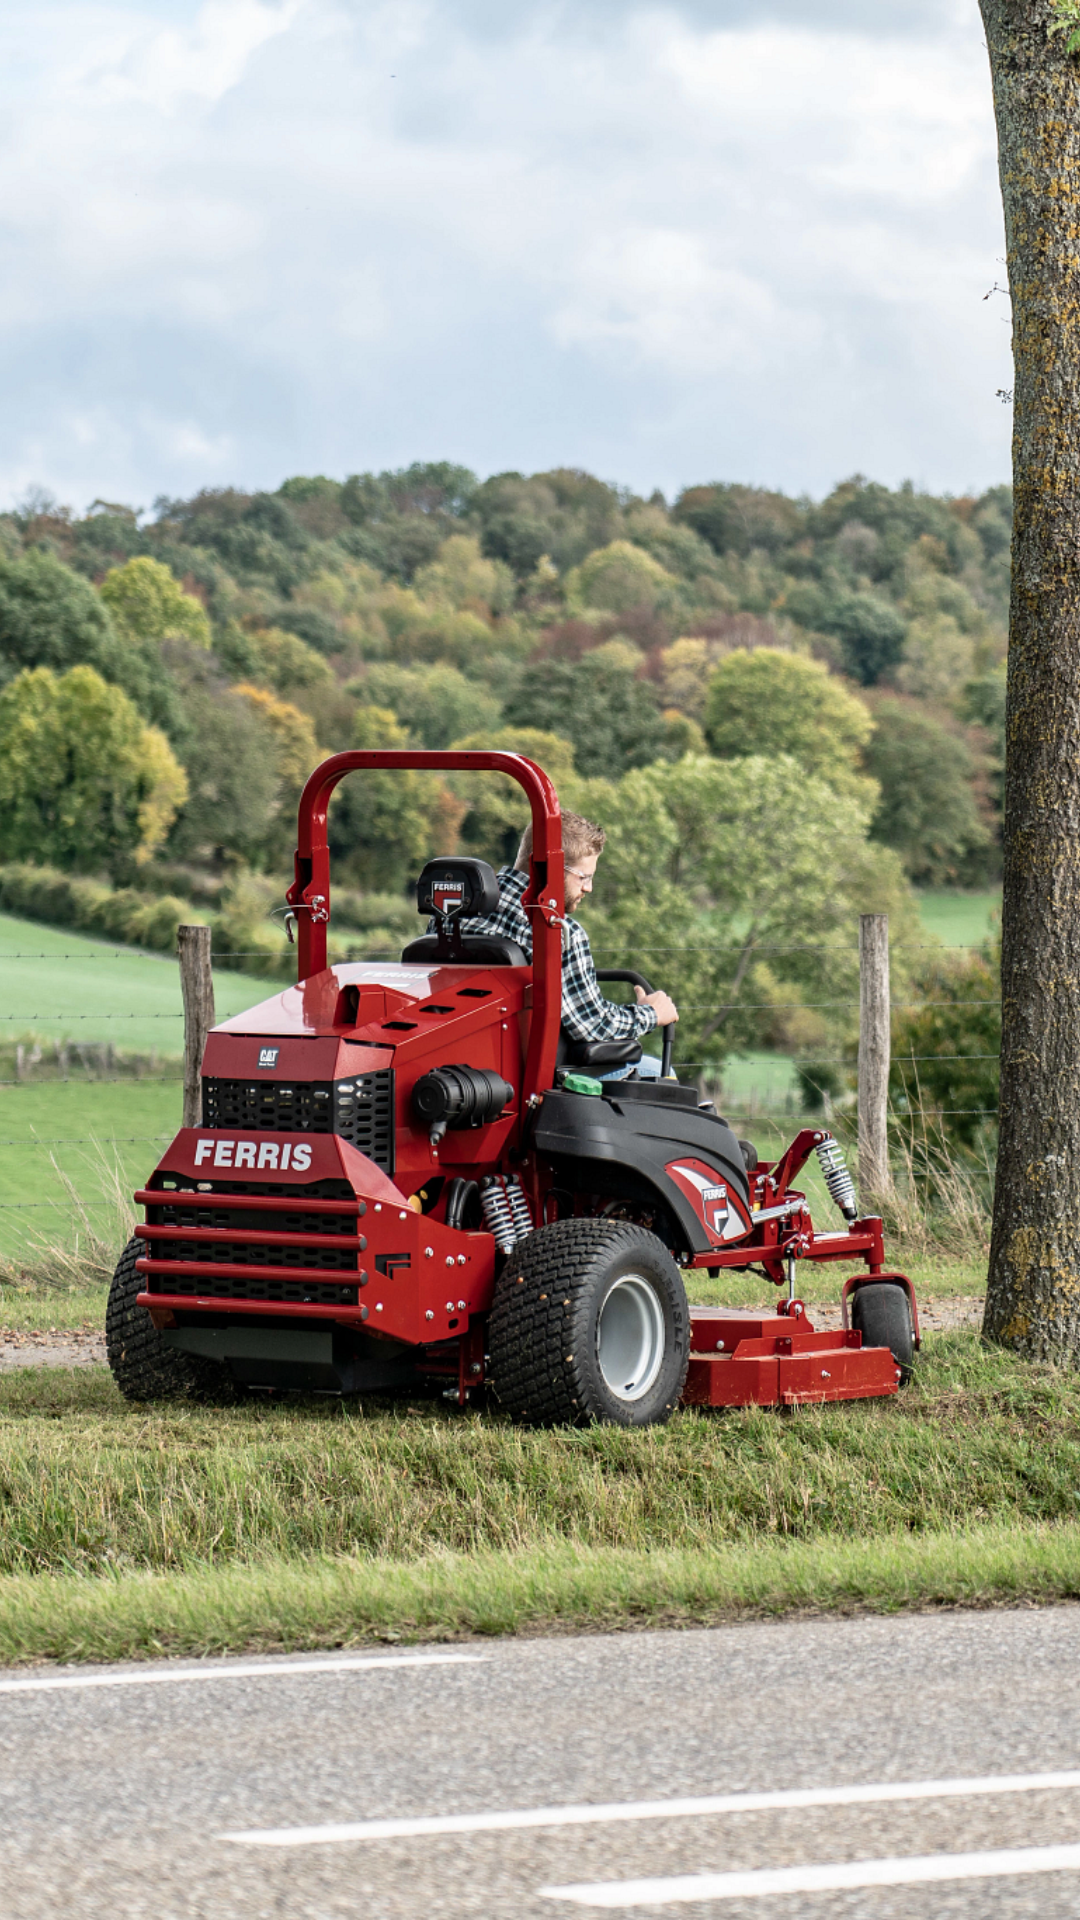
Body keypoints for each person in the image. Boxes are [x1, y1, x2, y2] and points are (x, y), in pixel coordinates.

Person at [459, 810, 678, 1079]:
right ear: (550, 868)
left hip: (464, 1067)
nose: (589, 888)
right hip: (533, 1079)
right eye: (583, 877)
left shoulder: (454, 918)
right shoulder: (554, 931)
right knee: (659, 1072)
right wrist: (652, 1014)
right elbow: (592, 1026)